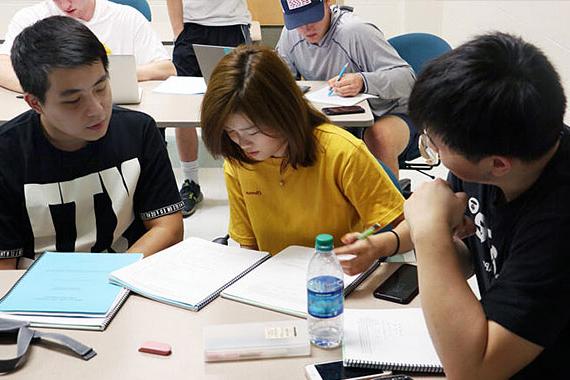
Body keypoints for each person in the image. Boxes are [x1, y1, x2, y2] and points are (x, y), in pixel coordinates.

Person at [336, 32, 570, 379]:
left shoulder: (558, 223)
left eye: (436, 146)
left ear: (498, 164)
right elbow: (474, 250)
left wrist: (429, 230)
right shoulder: (499, 148)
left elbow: (472, 372)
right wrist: (388, 243)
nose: (432, 151)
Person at [0, 16, 184, 269]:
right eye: (73, 100)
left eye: (100, 88)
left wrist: (110, 278)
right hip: (39, 292)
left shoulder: (138, 131)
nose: (97, 110)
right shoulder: (7, 154)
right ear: (35, 102)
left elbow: (168, 226)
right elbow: (4, 269)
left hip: (126, 274)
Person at [200, 45, 404, 255]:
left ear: (283, 112)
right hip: (274, 279)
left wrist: (373, 248)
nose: (242, 143)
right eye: (230, 131)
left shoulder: (342, 153)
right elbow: (249, 248)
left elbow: (403, 228)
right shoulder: (238, 163)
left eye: (252, 131)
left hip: (337, 277)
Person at [276, 0, 417, 178]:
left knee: (379, 137)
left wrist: (363, 81)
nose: (306, 28)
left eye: (312, 17)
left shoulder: (356, 31)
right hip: (342, 115)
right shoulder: (290, 35)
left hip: (391, 112)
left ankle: (390, 204)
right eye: (298, 21)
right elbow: (280, 79)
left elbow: (407, 78)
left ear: (327, 3)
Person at [166, 0, 251, 217]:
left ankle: (245, 179)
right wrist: (178, 32)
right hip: (191, 26)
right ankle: (190, 181)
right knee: (182, 108)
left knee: (237, 104)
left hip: (232, 25)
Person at [0, 0, 176, 93]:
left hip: (121, 114)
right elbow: (2, 66)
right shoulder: (31, 17)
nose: (65, 5)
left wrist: (108, 76)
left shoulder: (127, 17)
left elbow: (166, 69)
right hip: (55, 117)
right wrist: (45, 88)